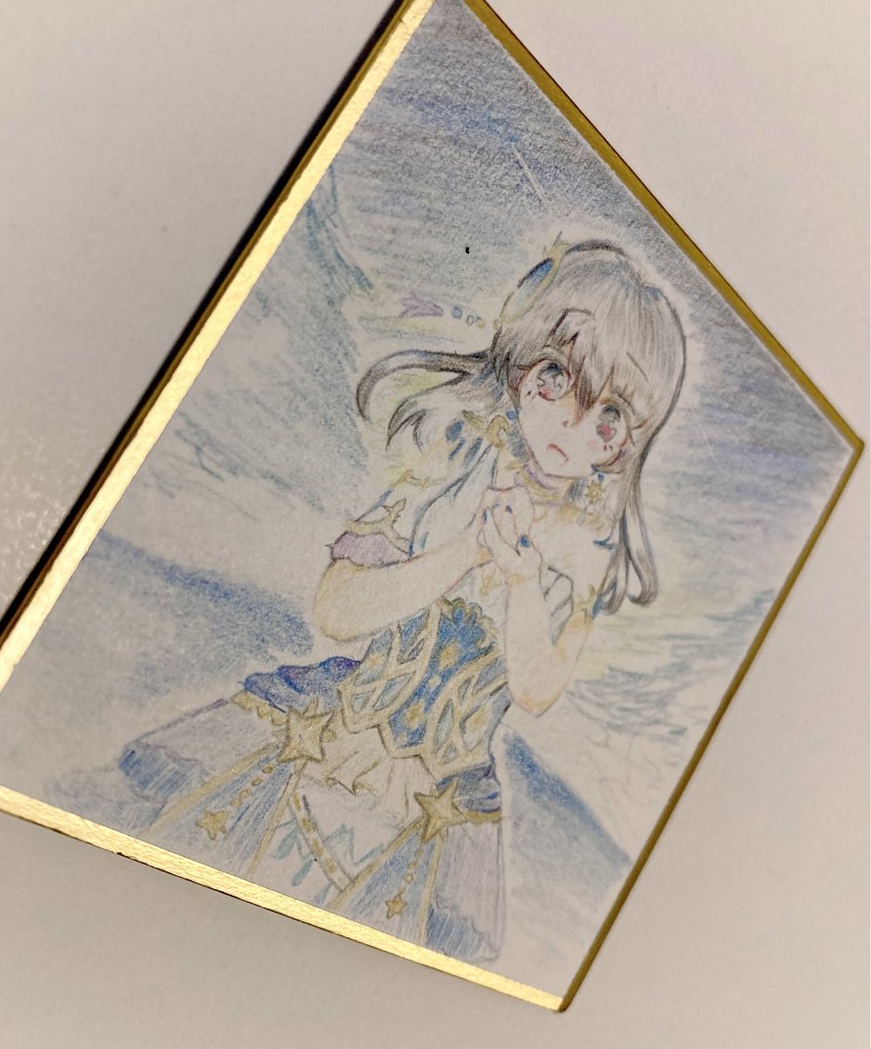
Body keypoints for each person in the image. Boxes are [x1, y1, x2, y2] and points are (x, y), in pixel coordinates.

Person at [113, 238, 686, 964]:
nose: (574, 425)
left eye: (609, 417)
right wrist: (465, 551)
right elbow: (336, 611)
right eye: (556, 377)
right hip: (327, 738)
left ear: (627, 443)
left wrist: (518, 581)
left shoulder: (587, 553)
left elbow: (537, 689)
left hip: (436, 806)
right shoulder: (448, 468)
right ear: (518, 365)